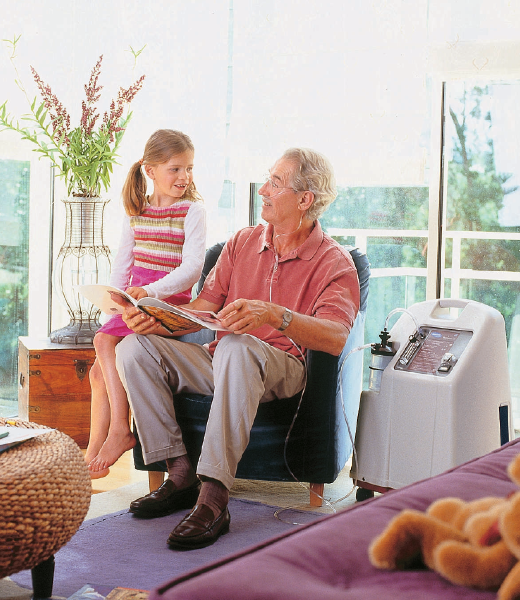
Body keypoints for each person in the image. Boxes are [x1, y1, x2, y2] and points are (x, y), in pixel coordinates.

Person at [114, 147, 360, 549]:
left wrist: (274, 315)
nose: (263, 189)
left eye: (275, 183)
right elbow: (202, 310)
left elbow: (335, 336)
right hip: (223, 359)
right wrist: (156, 321)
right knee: (134, 348)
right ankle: (179, 472)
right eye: (267, 179)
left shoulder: (334, 262)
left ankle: (213, 496)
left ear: (304, 200)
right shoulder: (241, 243)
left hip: (284, 369)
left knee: (238, 348)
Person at [84, 129, 207, 479]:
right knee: (97, 373)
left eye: (189, 168)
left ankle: (121, 430)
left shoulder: (191, 211)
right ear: (150, 171)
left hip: (168, 305)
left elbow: (191, 270)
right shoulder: (136, 210)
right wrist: (115, 298)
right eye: (175, 169)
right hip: (135, 303)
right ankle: (92, 456)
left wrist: (150, 291)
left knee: (102, 341)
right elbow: (124, 262)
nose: (184, 177)